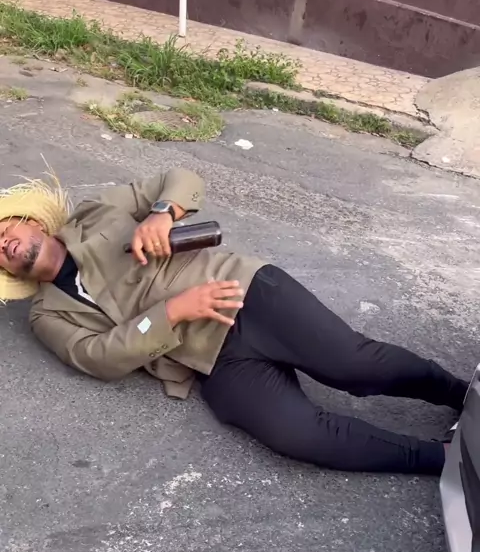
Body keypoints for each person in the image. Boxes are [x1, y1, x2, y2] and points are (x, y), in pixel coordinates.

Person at [0, 168, 467, 475]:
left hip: (245, 293)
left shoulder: (95, 212)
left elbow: (180, 179)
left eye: (4, 230)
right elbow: (96, 357)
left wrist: (163, 214)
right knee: (296, 434)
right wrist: (172, 313)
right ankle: (442, 460)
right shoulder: (47, 313)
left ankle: (462, 395)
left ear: (31, 222)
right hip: (208, 360)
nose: (4, 244)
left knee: (355, 366)